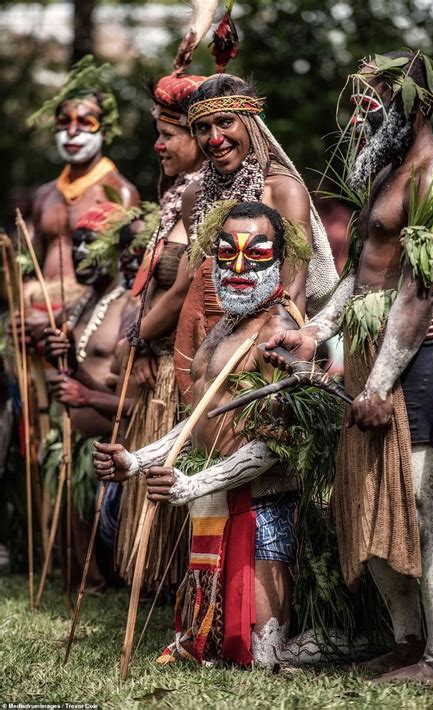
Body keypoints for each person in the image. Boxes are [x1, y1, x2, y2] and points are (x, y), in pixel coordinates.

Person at [264, 50, 433, 685]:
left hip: (420, 354)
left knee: (420, 495)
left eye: (379, 98)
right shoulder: (387, 173)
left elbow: (417, 293)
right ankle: (407, 643)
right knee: (369, 494)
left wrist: (380, 383)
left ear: (420, 105)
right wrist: (318, 330)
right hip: (370, 356)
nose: (365, 112)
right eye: (362, 99)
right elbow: (366, 271)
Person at [93, 201, 322, 665]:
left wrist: (193, 483)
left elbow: (278, 444)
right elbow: (200, 419)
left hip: (263, 507)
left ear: (280, 259)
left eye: (255, 255)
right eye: (225, 253)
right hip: (216, 500)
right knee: (207, 644)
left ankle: (342, 640)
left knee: (262, 656)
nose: (237, 268)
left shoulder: (280, 330)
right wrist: (135, 461)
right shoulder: (224, 328)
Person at [173, 73, 338, 400]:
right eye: (203, 129)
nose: (215, 138)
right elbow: (197, 277)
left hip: (261, 342)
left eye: (225, 123)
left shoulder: (282, 189)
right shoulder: (194, 195)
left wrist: (275, 350)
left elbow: (293, 289)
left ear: (250, 123)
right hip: (202, 337)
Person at [114, 72, 207, 594]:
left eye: (169, 133)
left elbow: (186, 286)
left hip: (178, 359)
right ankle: (159, 580)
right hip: (156, 354)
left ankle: (178, 581)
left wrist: (139, 337)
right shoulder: (179, 193)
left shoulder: (201, 197)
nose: (158, 143)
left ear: (198, 136)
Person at [40, 202, 137, 587]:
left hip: (110, 444)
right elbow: (78, 368)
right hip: (76, 441)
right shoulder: (81, 305)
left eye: (90, 243)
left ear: (115, 250)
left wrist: (84, 393)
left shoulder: (128, 307)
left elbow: (132, 400)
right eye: (75, 243)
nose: (79, 253)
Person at [26, 55, 139, 320]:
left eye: (85, 122)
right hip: (38, 313)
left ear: (105, 130)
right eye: (64, 122)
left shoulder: (119, 193)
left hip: (89, 317)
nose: (72, 132)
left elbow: (127, 272)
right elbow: (30, 264)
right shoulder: (45, 195)